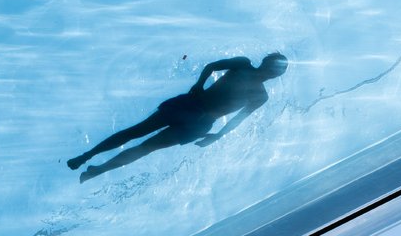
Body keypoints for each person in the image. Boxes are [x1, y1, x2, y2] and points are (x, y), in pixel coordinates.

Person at [68, 53, 288, 183]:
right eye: (272, 67)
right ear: (266, 63)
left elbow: (240, 118)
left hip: (200, 124)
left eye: (275, 71)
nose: (271, 72)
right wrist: (199, 84)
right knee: (137, 131)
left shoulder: (260, 96)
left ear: (276, 75)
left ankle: (98, 170)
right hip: (191, 103)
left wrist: (218, 136)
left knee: (147, 147)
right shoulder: (243, 64)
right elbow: (212, 66)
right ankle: (87, 156)